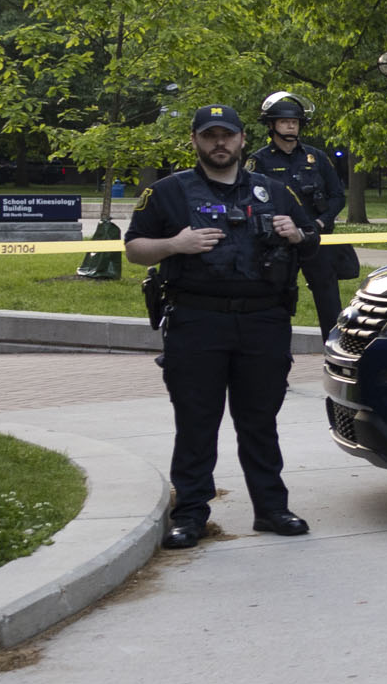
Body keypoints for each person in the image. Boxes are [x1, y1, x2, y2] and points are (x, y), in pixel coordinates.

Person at [124, 105, 324, 548]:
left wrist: (296, 234)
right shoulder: (168, 193)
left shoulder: (274, 190)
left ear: (240, 139)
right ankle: (191, 514)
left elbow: (312, 242)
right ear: (195, 140)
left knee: (259, 420)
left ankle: (271, 508)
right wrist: (175, 244)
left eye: (227, 136)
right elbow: (134, 248)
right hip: (198, 320)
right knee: (196, 421)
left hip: (263, 321)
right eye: (210, 135)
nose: (219, 143)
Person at [250, 90, 349, 337]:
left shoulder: (317, 157)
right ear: (271, 125)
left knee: (328, 298)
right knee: (277, 296)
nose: (290, 127)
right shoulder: (258, 161)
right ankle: (272, 347)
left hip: (317, 238)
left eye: (294, 122)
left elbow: (338, 195)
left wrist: (321, 221)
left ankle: (334, 345)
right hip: (280, 242)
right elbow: (251, 200)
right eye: (284, 122)